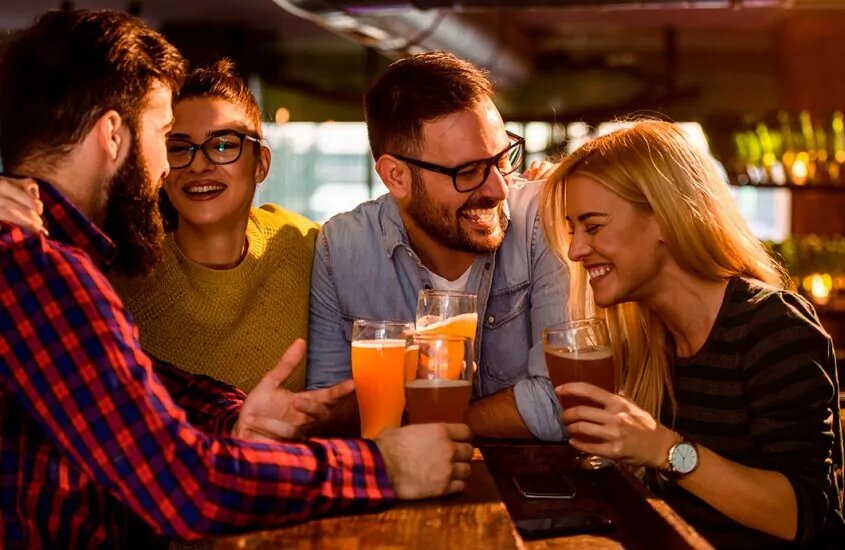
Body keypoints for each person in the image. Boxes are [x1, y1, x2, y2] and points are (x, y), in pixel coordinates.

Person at [0, 9, 472, 549]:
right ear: (112, 134)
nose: (169, 166)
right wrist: (385, 467)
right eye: (166, 136)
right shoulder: (40, 271)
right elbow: (185, 489)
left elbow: (125, 382)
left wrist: (231, 419)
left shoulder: (48, 265)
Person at [541, 119, 844, 547]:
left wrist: (666, 450)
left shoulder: (773, 327)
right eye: (573, 230)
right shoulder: (648, 338)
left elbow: (801, 514)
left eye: (593, 226)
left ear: (665, 218)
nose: (575, 249)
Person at [306, 51, 569, 441]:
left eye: (502, 158)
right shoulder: (343, 247)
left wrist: (430, 423)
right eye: (469, 172)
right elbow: (327, 413)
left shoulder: (543, 218)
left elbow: (562, 402)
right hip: (397, 490)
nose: (498, 187)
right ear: (396, 176)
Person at [105, 58, 317, 393]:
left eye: (222, 145)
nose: (199, 165)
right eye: (179, 148)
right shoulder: (123, 281)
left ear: (261, 164)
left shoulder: (306, 245)